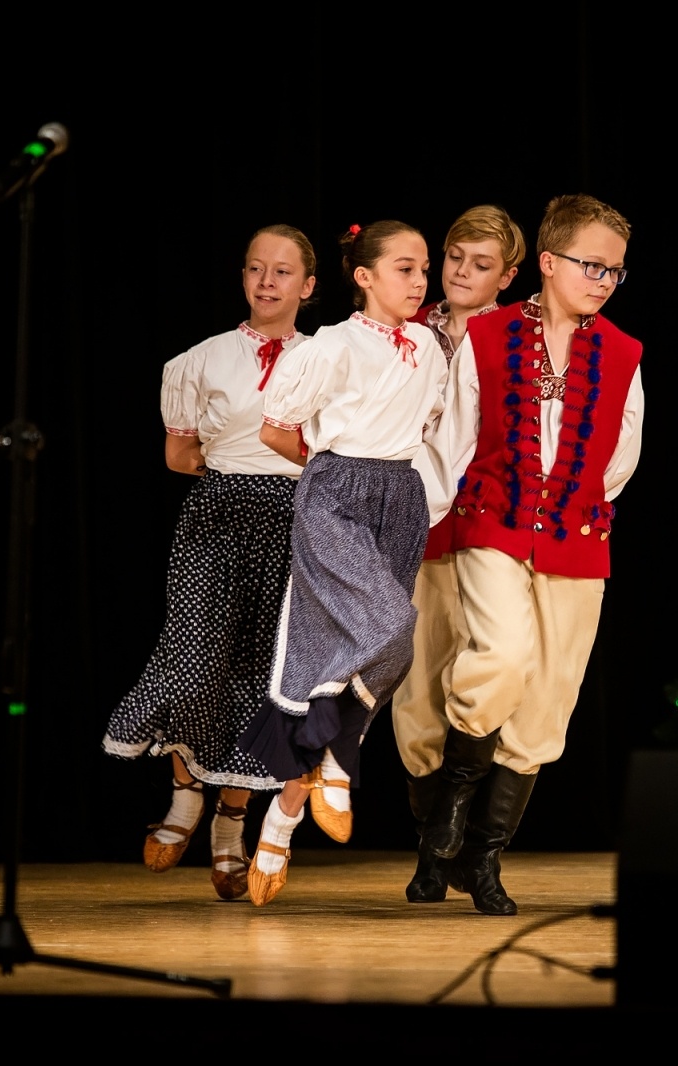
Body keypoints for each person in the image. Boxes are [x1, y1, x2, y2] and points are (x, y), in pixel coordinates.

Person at [413, 194, 643, 915]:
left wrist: (571, 503)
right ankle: (450, 800)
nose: (603, 280)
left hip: (576, 534)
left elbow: (621, 453)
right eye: (591, 266)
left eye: (614, 272)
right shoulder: (489, 338)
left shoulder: (624, 353)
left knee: (547, 701)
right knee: (501, 655)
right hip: (493, 521)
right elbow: (454, 439)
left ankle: (484, 854)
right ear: (548, 263)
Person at [102, 225, 320, 901]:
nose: (266, 282)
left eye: (282, 272)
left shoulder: (327, 359)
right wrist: (236, 478)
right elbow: (178, 457)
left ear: (307, 287)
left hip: (295, 521)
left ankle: (232, 821)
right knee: (194, 659)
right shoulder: (201, 359)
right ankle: (186, 787)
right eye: (256, 268)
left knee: (261, 676)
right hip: (221, 516)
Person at [237, 220, 448, 905]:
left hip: (400, 495)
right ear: (364, 275)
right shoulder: (333, 346)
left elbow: (427, 427)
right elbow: (276, 426)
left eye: (423, 271)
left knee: (386, 651)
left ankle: (284, 815)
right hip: (336, 493)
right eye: (405, 269)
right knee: (385, 626)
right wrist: (328, 473)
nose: (419, 282)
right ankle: (333, 764)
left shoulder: (428, 346)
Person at [393, 205, 525, 904]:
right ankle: (429, 853)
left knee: (493, 678)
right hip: (419, 526)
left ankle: (482, 857)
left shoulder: (517, 338)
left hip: (491, 526)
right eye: (455, 260)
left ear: (509, 274)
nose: (464, 274)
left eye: (482, 265)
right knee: (418, 687)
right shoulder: (410, 333)